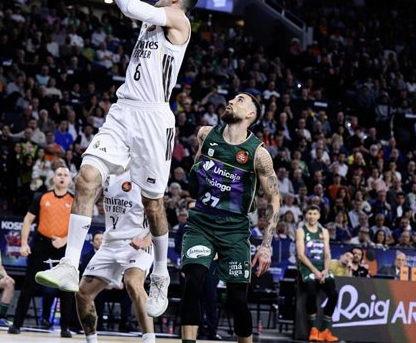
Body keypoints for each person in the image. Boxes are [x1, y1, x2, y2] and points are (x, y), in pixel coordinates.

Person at [36, 0, 200, 319]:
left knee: (154, 203)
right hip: (123, 111)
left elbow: (127, 3)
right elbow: (132, 7)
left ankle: (160, 272)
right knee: (86, 177)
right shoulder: (154, 21)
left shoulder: (179, 22)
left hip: (154, 118)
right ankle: (70, 265)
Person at [179, 92, 280, 343]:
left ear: (250, 115)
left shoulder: (259, 154)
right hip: (201, 221)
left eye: (241, 100)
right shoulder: (205, 134)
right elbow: (196, 175)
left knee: (237, 299)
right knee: (193, 282)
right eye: (233, 98)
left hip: (234, 229)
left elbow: (274, 199)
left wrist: (266, 246)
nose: (232, 101)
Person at [76, 169, 155, 343]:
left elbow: (160, 213)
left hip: (139, 241)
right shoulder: (105, 172)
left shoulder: (145, 173)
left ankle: (149, 340)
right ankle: (91, 341)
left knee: (133, 283)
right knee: (82, 293)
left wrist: (148, 239)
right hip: (110, 243)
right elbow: (87, 199)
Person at [9, 166, 75, 337]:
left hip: (64, 246)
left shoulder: (75, 200)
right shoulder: (41, 197)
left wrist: (65, 240)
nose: (62, 178)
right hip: (41, 244)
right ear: (53, 178)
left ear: (69, 180)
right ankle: (16, 324)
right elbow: (27, 220)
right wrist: (24, 243)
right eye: (59, 174)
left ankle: (65, 328)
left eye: (65, 175)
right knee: (29, 285)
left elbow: (80, 225)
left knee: (66, 287)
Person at [296, 205, 339, 342]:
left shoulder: (324, 231)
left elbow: (327, 253)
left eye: (315, 213)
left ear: (319, 216)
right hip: (308, 268)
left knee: (333, 294)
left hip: (322, 267)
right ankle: (313, 330)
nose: (312, 216)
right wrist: (315, 271)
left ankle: (325, 330)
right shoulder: (301, 231)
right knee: (312, 292)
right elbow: (301, 255)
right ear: (306, 215)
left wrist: (325, 270)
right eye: (309, 213)